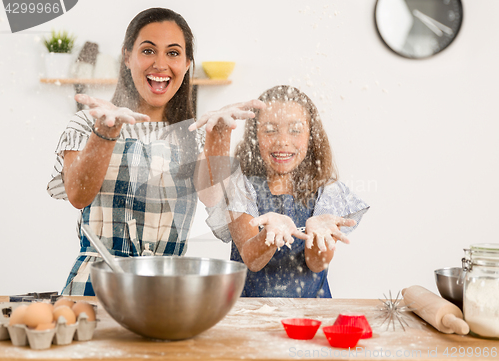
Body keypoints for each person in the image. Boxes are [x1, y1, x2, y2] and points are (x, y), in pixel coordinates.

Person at [47, 7, 263, 296]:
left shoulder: (196, 134)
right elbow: (78, 194)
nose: (160, 64)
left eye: (173, 53)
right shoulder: (88, 123)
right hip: (94, 291)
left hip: (165, 293)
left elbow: (211, 195)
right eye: (148, 51)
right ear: (127, 56)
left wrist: (219, 133)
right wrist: (106, 132)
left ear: (187, 63)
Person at [206, 85, 370, 298]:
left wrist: (318, 237)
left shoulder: (327, 192)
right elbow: (252, 259)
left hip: (311, 316)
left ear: (311, 136)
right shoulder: (241, 186)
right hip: (249, 314)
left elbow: (317, 263)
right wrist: (270, 236)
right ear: (255, 135)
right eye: (270, 129)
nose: (282, 141)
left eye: (295, 130)